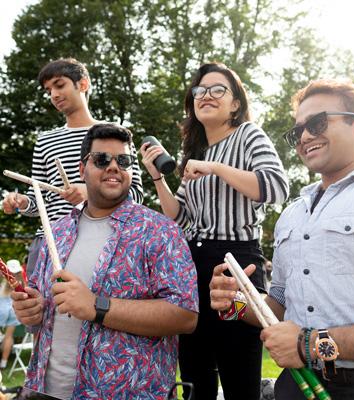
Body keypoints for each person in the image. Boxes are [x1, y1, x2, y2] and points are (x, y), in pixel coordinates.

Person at [210, 79, 354, 399]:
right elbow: (282, 309)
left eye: (318, 122)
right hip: (293, 386)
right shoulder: (292, 215)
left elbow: (301, 336)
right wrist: (237, 304)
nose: (306, 136)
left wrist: (309, 344)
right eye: (298, 131)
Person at [11, 123, 199, 400]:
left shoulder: (160, 231)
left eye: (123, 161)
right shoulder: (57, 231)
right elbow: (39, 306)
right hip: (47, 390)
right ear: (81, 169)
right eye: (101, 159)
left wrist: (97, 306)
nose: (113, 166)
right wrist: (31, 309)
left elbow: (185, 316)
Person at [140, 62, 288, 400]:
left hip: (236, 268)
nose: (206, 95)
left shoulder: (248, 135)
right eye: (199, 91)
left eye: (217, 89)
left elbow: (277, 187)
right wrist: (158, 178)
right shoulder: (194, 153)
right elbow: (178, 218)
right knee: (194, 366)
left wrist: (216, 168)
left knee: (238, 365)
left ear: (235, 102)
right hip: (194, 267)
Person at [2, 58, 143, 278]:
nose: (54, 95)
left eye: (60, 85)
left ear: (83, 84)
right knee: (35, 309)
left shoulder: (116, 134)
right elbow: (38, 200)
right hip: (49, 241)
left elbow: (136, 194)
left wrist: (90, 192)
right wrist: (21, 202)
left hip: (102, 238)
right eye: (49, 90)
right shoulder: (45, 141)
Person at [0, 260, 24, 369]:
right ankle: (4, 362)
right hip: (14, 310)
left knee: (3, 335)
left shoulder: (4, 282)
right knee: (8, 336)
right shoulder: (22, 283)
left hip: (2, 309)